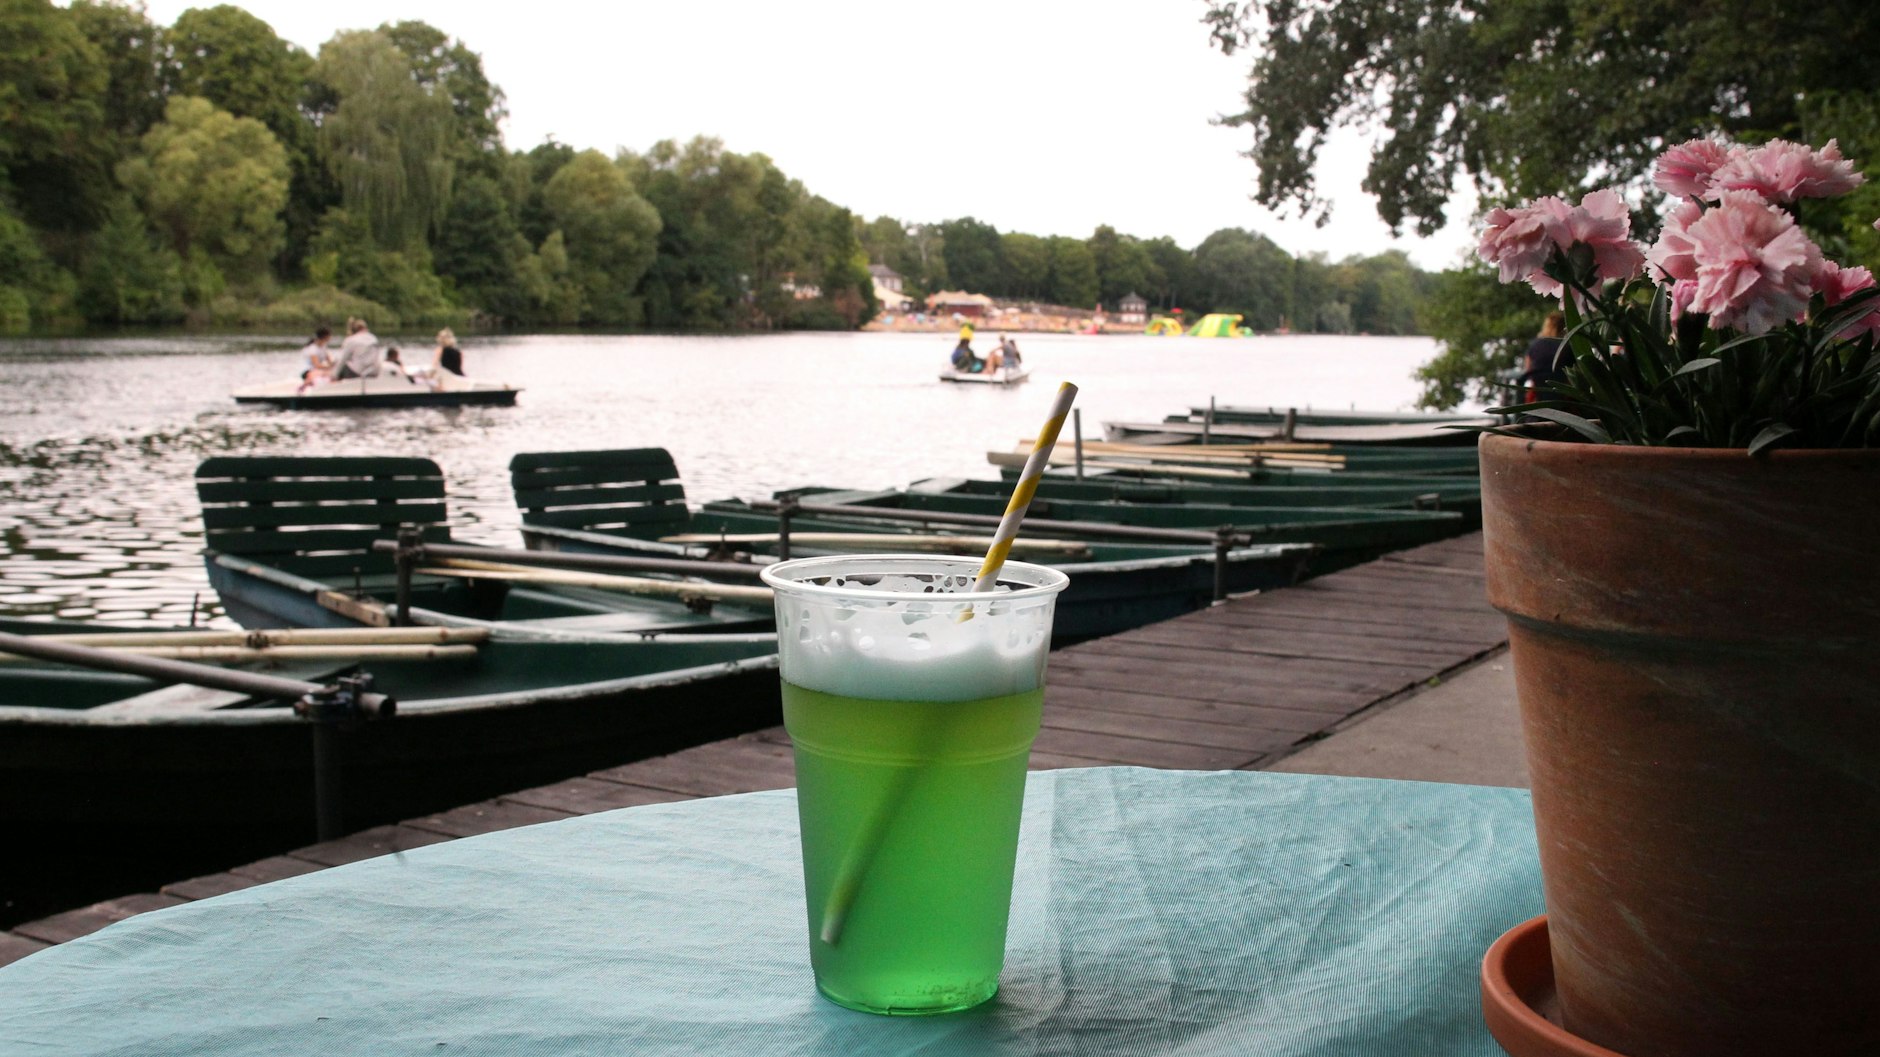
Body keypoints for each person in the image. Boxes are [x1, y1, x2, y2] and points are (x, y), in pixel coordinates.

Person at [1516, 311, 1567, 401]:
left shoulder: (1535, 345)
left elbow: (1528, 370)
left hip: (1538, 398)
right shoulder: (1567, 346)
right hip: (1563, 398)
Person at [297, 327, 334, 393]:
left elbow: (329, 361)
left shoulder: (323, 346)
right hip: (308, 371)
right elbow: (316, 365)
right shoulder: (312, 348)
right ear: (325, 336)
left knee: (333, 373)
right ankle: (304, 387)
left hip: (316, 370)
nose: (331, 337)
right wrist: (329, 367)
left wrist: (334, 366)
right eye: (330, 335)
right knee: (326, 373)